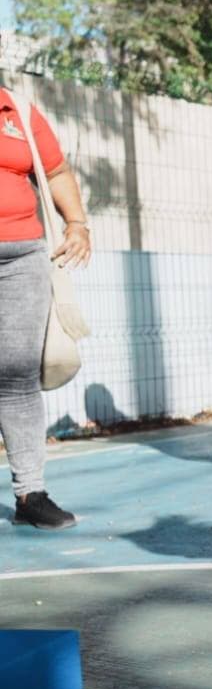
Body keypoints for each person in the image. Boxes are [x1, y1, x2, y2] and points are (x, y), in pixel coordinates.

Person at [0, 83, 92, 529]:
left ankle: (30, 494)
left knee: (17, 376)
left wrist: (77, 224)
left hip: (21, 257)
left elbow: (55, 172)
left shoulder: (17, 109)